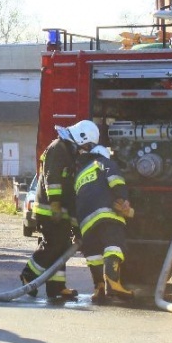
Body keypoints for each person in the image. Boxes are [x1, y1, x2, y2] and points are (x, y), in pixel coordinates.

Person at [20, 120, 98, 300]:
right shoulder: (58, 148)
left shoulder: (70, 154)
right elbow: (52, 177)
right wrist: (55, 202)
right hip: (48, 209)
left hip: (59, 210)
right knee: (53, 244)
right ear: (80, 137)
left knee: (62, 247)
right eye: (86, 145)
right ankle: (28, 275)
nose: (86, 149)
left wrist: (76, 227)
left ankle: (56, 287)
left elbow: (70, 192)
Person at [73, 144, 135, 303]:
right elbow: (115, 179)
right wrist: (122, 199)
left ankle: (99, 287)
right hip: (107, 213)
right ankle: (113, 282)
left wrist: (76, 231)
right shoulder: (103, 162)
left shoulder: (79, 174)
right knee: (114, 244)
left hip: (85, 221)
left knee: (94, 254)